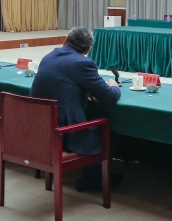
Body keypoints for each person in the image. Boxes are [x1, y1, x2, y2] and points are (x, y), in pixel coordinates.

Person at [29, 26, 121, 192]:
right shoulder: (83, 63)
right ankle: (93, 180)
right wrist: (114, 86)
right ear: (88, 49)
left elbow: (63, 85)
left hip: (37, 129)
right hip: (62, 134)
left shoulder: (48, 57)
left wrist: (85, 93)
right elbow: (109, 98)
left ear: (65, 40)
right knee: (107, 128)